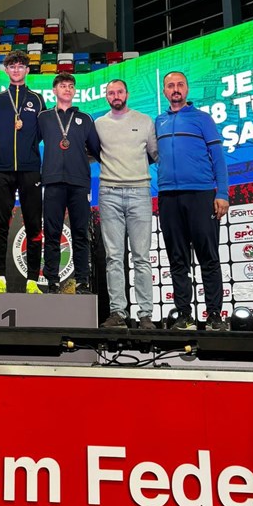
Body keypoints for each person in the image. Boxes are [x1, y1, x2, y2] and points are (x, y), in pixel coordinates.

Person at [155, 71, 229, 331]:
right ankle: (184, 315)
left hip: (201, 194)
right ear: (164, 91)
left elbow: (218, 158)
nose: (175, 89)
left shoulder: (203, 118)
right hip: (168, 197)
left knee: (208, 257)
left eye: (180, 85)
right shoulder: (159, 121)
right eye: (170, 85)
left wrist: (222, 193)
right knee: (177, 259)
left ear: (186, 89)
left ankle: (214, 315)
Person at [95, 79, 158, 330]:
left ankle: (146, 315)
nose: (116, 96)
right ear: (107, 97)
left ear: (127, 94)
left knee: (142, 257)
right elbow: (92, 153)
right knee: (113, 257)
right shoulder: (99, 124)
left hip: (139, 192)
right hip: (109, 193)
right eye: (111, 93)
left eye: (119, 91)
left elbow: (155, 154)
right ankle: (118, 312)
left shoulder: (144, 121)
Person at [38, 73, 101, 294]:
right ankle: (52, 281)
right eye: (63, 85)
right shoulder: (44, 117)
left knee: (80, 233)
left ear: (74, 91)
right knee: (52, 233)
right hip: (52, 181)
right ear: (54, 91)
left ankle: (82, 280)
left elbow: (97, 150)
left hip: (79, 183)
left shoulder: (85, 118)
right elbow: (29, 143)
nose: (67, 89)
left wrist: (79, 158)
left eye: (71, 86)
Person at [0, 51, 46, 294]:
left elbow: (42, 132)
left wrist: (28, 147)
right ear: (6, 70)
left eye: (20, 66)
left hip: (30, 169)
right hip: (1, 169)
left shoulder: (37, 99)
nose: (16, 70)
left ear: (27, 70)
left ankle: (32, 280)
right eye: (12, 66)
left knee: (33, 223)